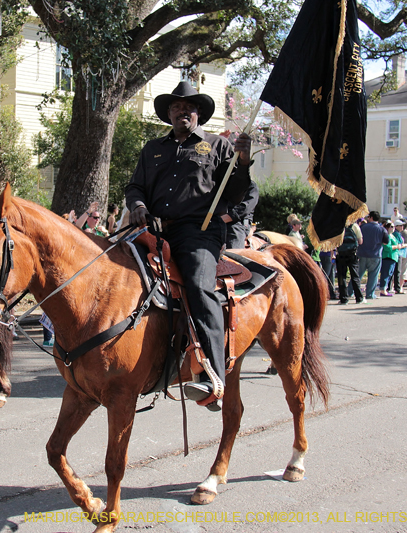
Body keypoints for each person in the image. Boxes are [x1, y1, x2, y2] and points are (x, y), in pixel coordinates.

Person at [125, 81, 252, 411]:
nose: (183, 110)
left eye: (190, 106)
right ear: (169, 113)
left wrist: (244, 161)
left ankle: (213, 374)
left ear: (199, 114)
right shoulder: (152, 148)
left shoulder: (216, 146)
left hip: (198, 232)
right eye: (177, 106)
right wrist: (138, 205)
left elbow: (239, 191)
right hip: (152, 231)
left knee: (197, 287)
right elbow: (135, 186)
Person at [357, 211, 389, 300]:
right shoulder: (381, 229)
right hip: (375, 254)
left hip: (362, 253)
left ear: (371, 217)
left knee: (358, 275)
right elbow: (386, 242)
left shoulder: (363, 227)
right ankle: (370, 294)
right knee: (373, 275)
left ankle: (351, 291)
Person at [225, 180, 258, 249]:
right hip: (216, 221)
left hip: (237, 224)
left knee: (232, 253)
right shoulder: (219, 184)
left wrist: (220, 219)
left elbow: (243, 209)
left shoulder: (250, 186)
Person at [336, 221, 364, 304]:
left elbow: (334, 242)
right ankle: (359, 298)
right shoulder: (354, 226)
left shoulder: (338, 225)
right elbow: (360, 241)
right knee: (355, 276)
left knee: (342, 277)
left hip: (341, 254)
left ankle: (343, 298)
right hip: (352, 254)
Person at [378, 220, 402, 297]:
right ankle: (383, 290)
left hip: (394, 257)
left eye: (394, 226)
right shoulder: (387, 236)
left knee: (390, 274)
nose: (393, 228)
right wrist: (397, 247)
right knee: (386, 273)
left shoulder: (393, 236)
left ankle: (386, 288)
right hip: (388, 256)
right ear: (387, 228)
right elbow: (387, 247)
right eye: (391, 226)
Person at [393, 218, 407, 294]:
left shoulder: (399, 233)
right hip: (401, 252)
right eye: (400, 226)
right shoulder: (398, 234)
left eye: (402, 225)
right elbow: (401, 244)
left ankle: (397, 286)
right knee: (401, 270)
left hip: (401, 252)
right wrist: (404, 245)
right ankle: (399, 287)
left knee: (399, 270)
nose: (402, 227)